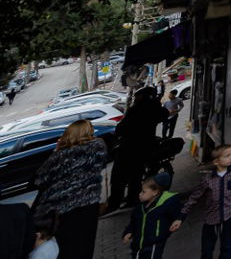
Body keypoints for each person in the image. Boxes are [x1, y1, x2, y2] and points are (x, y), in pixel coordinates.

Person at [31, 119, 109, 259]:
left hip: (64, 207)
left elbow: (38, 180)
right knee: (86, 243)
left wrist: (57, 150)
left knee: (67, 246)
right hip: (89, 204)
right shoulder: (99, 147)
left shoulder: (60, 155)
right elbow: (101, 165)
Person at [170, 145, 231, 259]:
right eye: (227, 155)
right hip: (211, 219)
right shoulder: (207, 179)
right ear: (216, 162)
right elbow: (194, 197)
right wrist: (180, 217)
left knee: (227, 245)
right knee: (207, 248)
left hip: (229, 215)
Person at [113, 88, 166, 208]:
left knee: (120, 175)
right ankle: (132, 199)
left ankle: (116, 202)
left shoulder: (135, 110)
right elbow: (165, 114)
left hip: (129, 146)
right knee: (135, 175)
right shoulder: (155, 108)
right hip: (146, 146)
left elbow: (120, 129)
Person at [122, 173, 181, 259]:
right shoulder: (139, 208)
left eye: (143, 192)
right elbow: (133, 222)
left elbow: (180, 212)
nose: (140, 194)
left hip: (153, 244)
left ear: (155, 192)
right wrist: (129, 232)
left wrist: (178, 219)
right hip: (137, 245)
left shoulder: (165, 205)